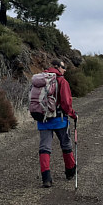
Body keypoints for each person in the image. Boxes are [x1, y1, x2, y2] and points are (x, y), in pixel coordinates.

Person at [30, 58, 78, 188]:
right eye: (63, 67)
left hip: (43, 118)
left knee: (44, 147)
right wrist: (73, 115)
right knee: (66, 144)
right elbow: (66, 104)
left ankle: (46, 178)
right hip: (59, 120)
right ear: (57, 67)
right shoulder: (61, 81)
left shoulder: (40, 79)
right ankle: (70, 171)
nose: (65, 70)